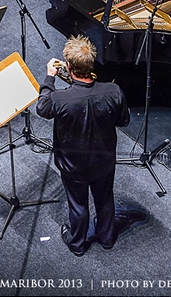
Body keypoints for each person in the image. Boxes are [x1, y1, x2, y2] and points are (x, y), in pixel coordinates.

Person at [36, 35, 130, 256]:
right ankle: (107, 238)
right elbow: (123, 121)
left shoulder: (59, 99)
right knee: (105, 199)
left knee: (78, 205)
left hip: (73, 165)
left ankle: (77, 243)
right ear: (92, 64)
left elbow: (42, 108)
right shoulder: (113, 91)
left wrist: (49, 78)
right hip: (104, 161)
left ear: (69, 67)